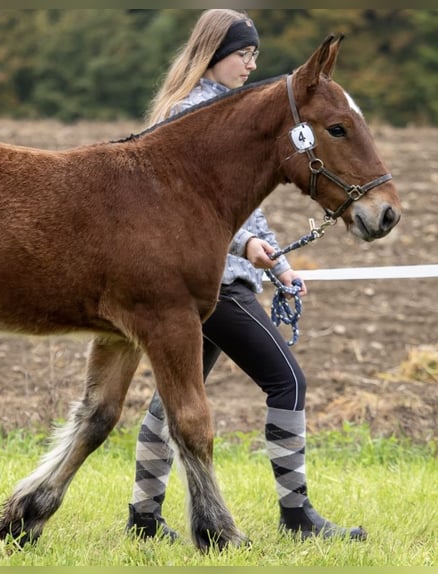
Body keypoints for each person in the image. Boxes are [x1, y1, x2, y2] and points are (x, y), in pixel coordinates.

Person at [126, 9, 367, 542]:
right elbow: (188, 205)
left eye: (254, 54)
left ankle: (143, 520)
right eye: (243, 54)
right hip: (216, 282)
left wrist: (276, 259)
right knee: (287, 381)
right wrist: (248, 246)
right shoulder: (194, 114)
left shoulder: (221, 109)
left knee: (172, 399)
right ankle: (297, 516)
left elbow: (242, 205)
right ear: (213, 54)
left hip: (224, 274)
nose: (250, 64)